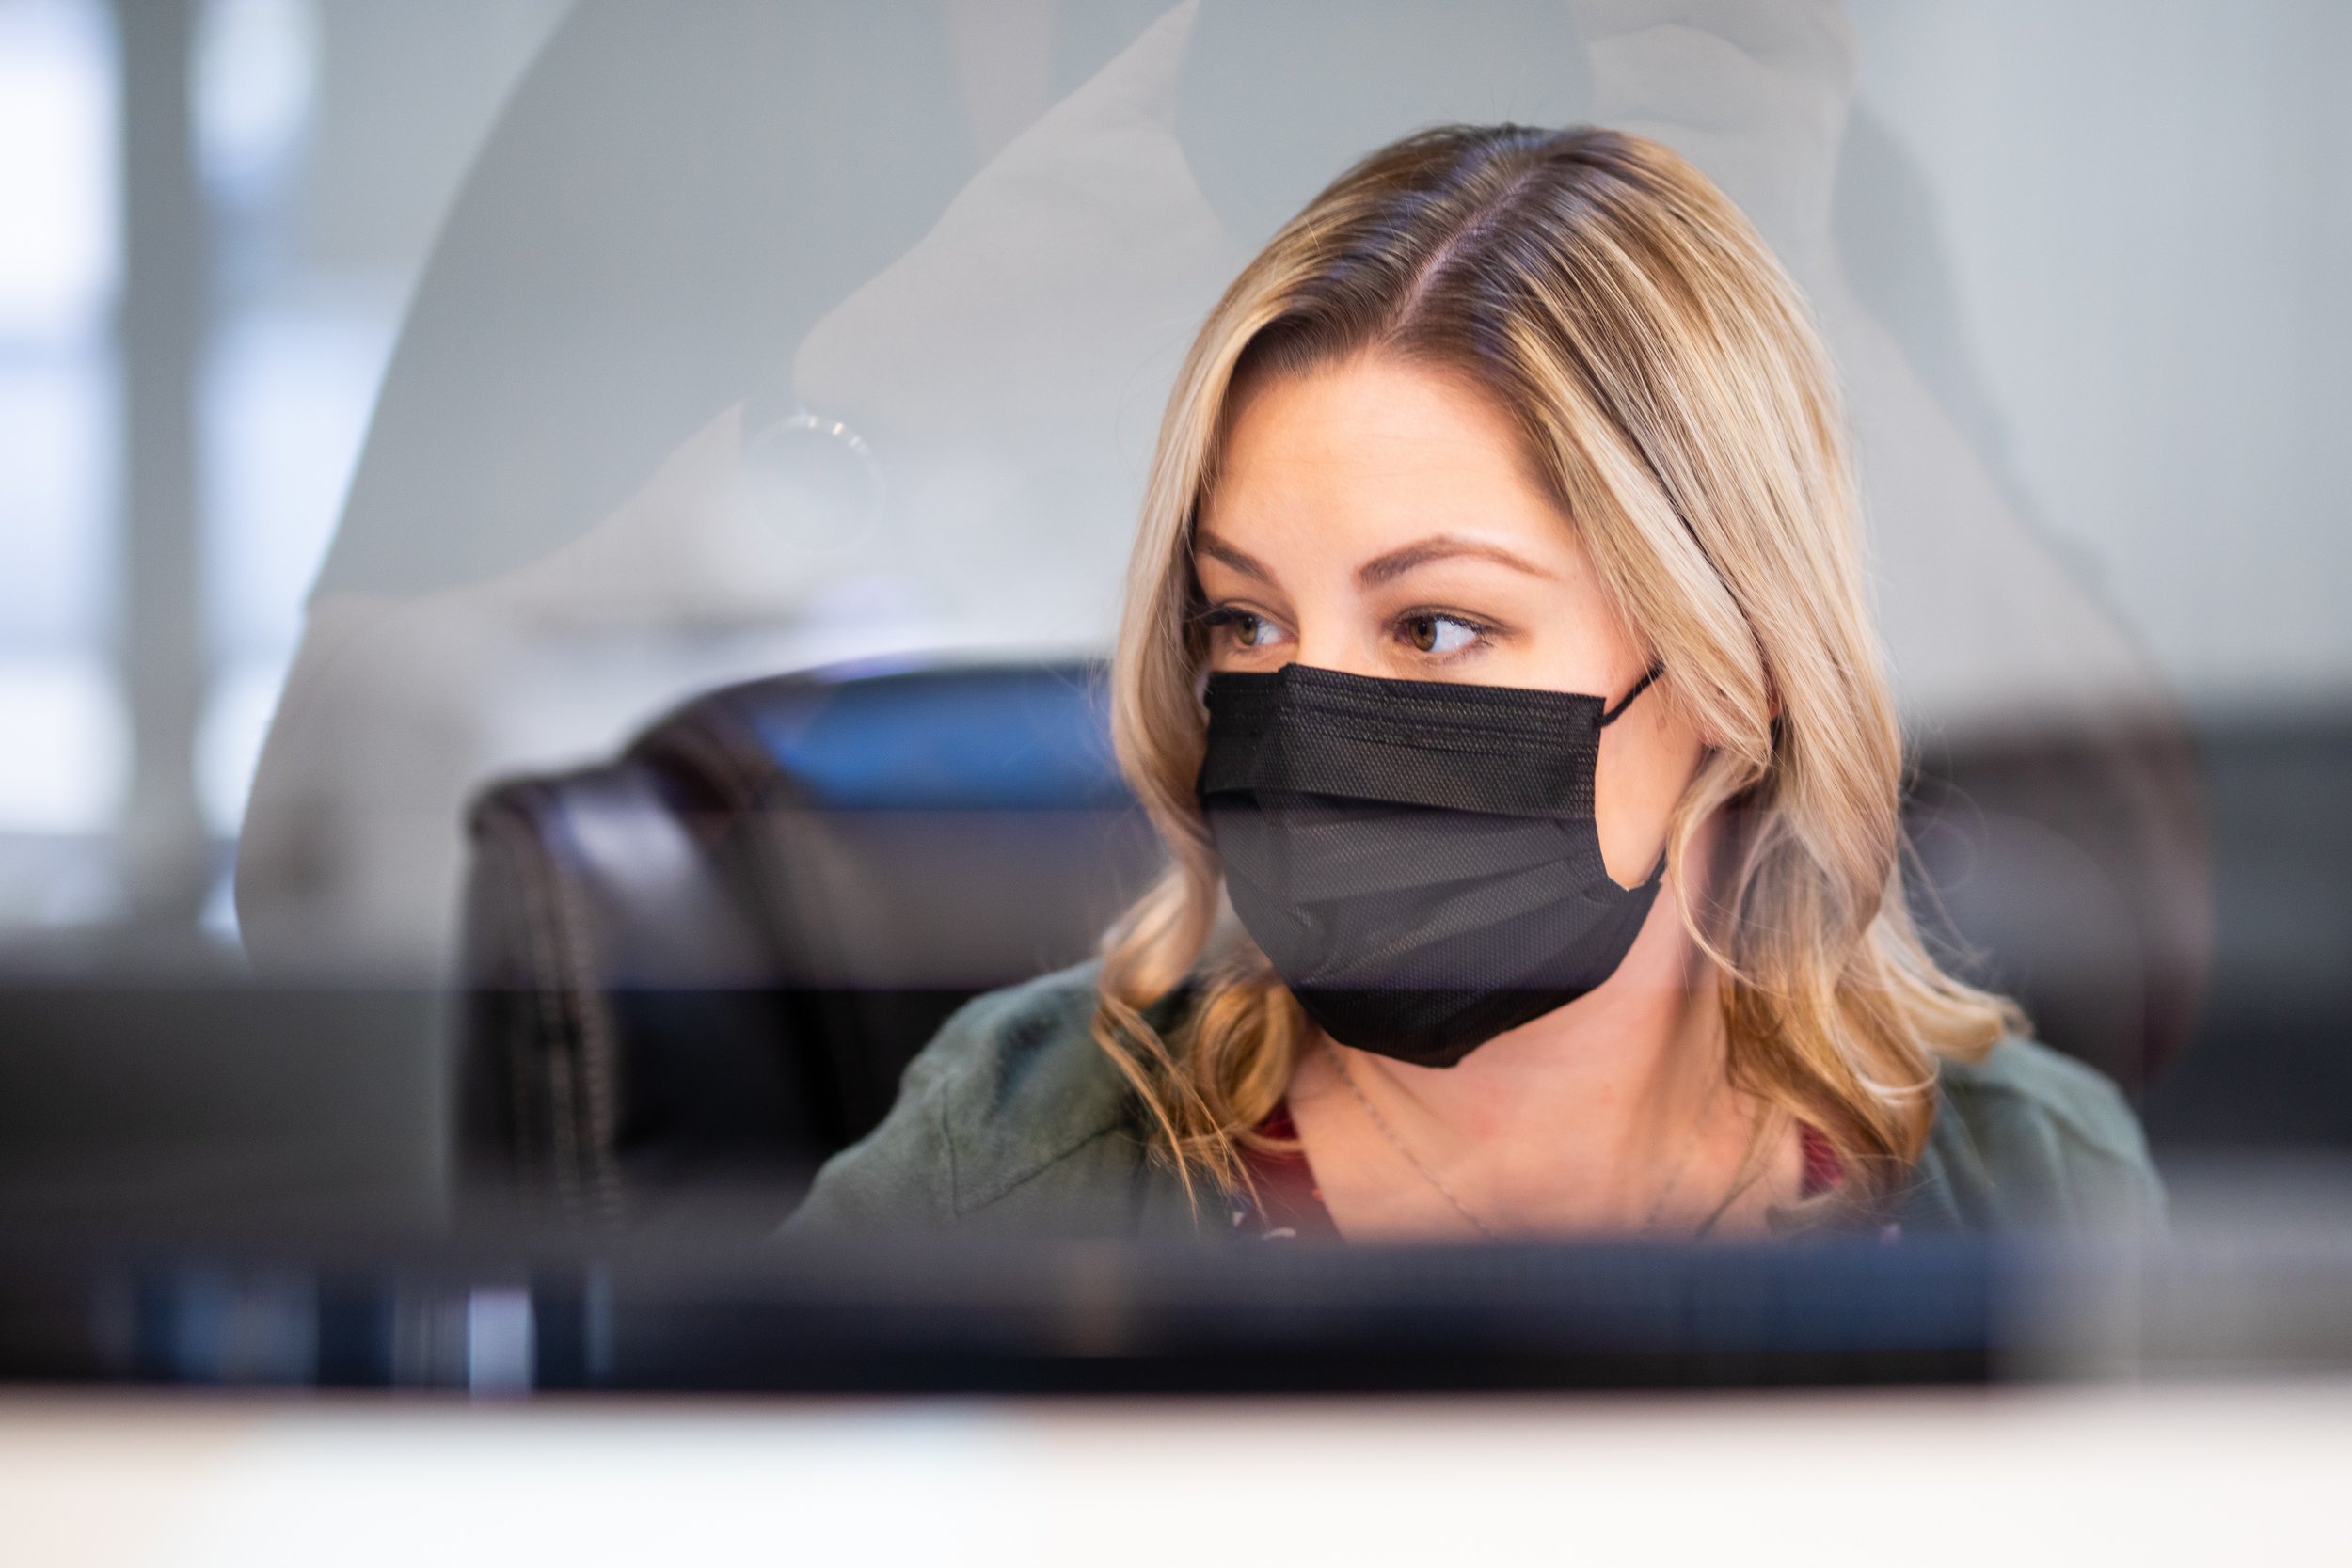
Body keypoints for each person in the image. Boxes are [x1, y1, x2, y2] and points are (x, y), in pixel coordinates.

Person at [786, 124, 2166, 1243]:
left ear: (1728, 662)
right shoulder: (1022, 1149)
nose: (1306, 713)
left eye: (1435, 626)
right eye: (1246, 622)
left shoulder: (2025, 1183)